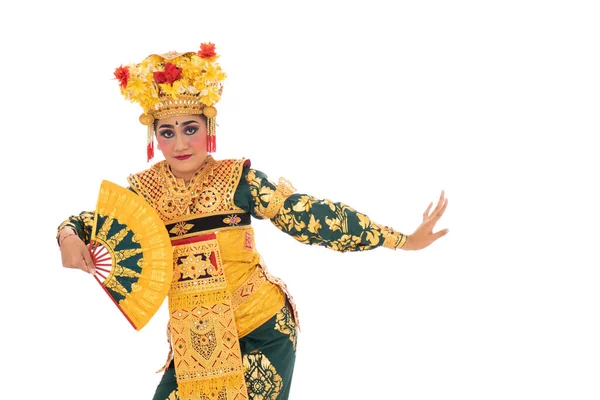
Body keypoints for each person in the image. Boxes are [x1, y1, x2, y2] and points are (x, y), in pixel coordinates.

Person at [56, 43, 449, 400]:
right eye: (167, 131)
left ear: (209, 129)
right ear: (154, 137)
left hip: (262, 330)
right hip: (194, 340)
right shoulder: (145, 194)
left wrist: (399, 239)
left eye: (190, 129)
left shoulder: (238, 179)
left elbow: (309, 217)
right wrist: (68, 235)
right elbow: (87, 222)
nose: (179, 144)